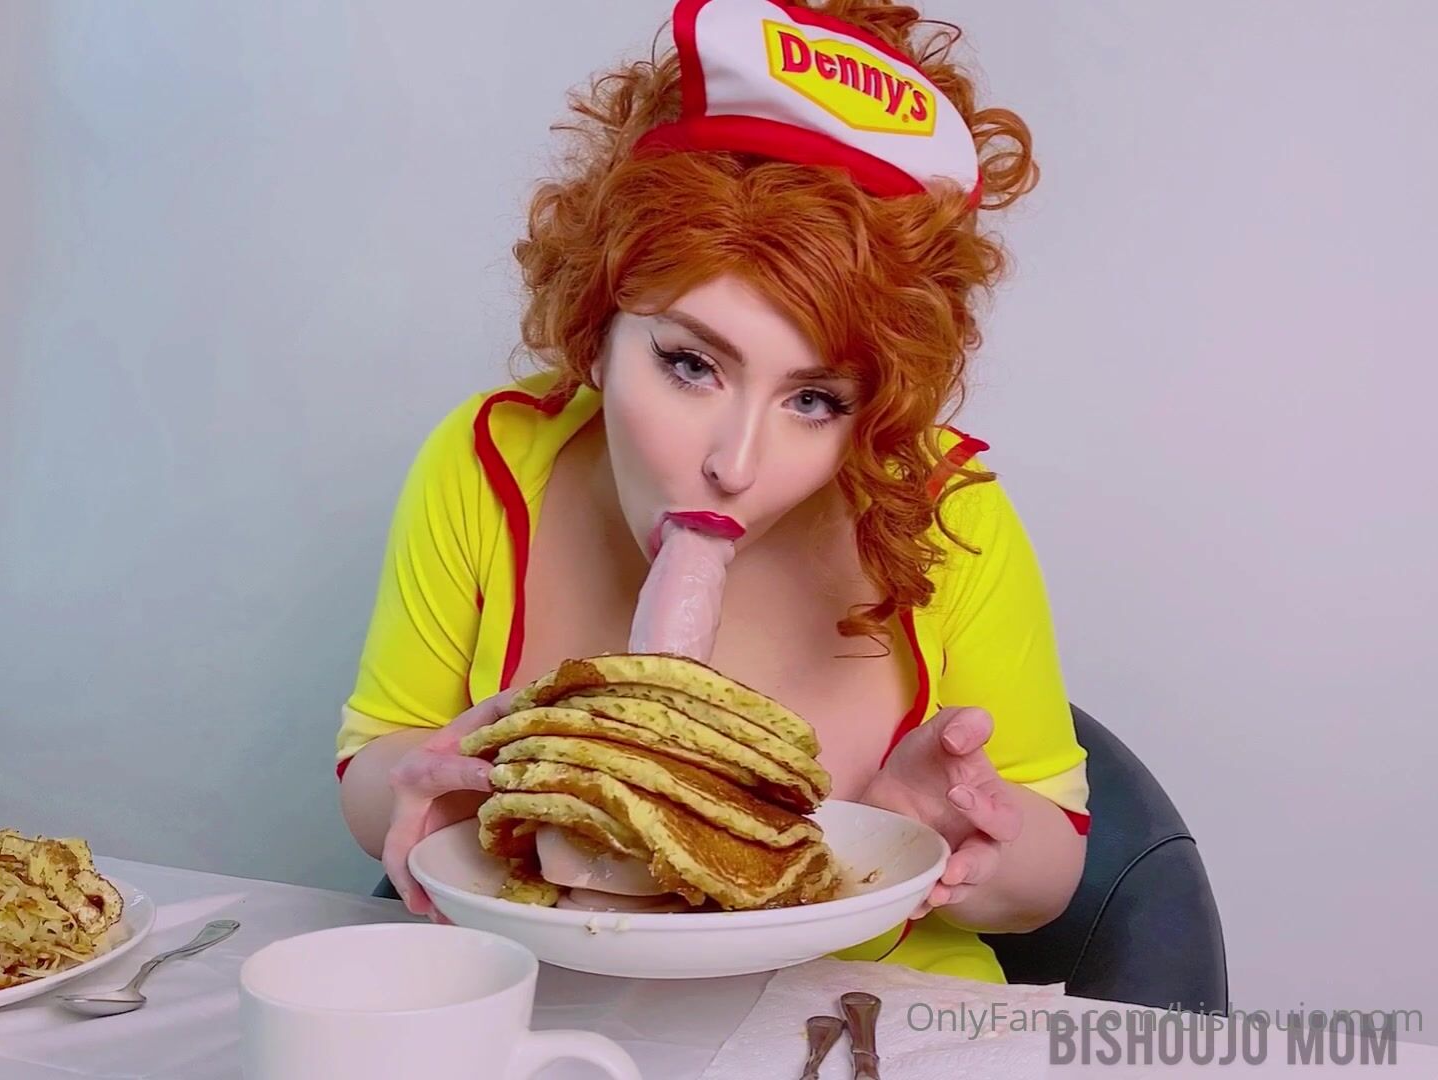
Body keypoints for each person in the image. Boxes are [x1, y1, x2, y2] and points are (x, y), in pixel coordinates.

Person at [337, 0, 1089, 982]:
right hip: (550, 1004)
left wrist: (950, 838)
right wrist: (441, 789)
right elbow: (376, 760)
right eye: (691, 364)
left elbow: (1051, 870)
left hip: (870, 1009)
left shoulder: (949, 505)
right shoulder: (489, 463)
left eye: (814, 399)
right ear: (596, 324)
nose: (736, 462)